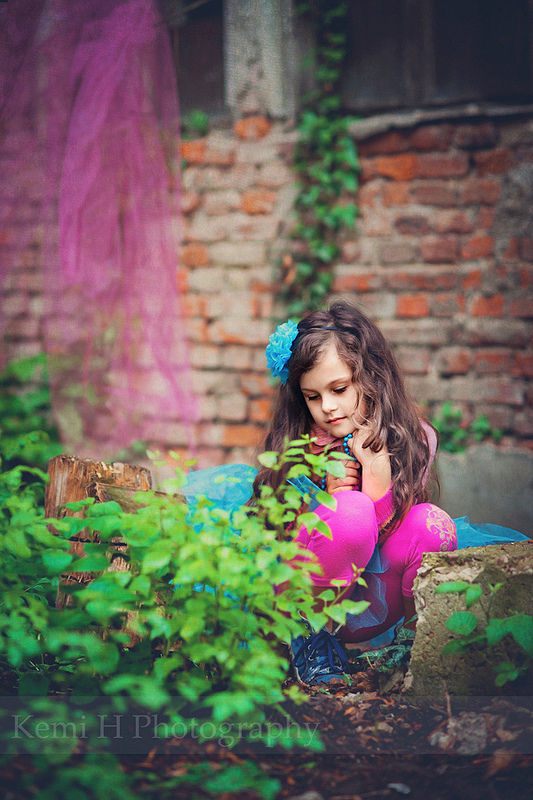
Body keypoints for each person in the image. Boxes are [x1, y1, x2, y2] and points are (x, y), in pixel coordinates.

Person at [183, 300, 529, 686]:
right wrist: (326, 501)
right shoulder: (302, 445)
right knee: (350, 512)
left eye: (339, 389)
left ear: (371, 376)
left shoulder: (414, 438)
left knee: (432, 524)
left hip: (370, 602)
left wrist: (377, 478)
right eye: (313, 396)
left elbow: (391, 533)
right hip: (297, 596)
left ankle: (411, 645)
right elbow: (282, 538)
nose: (328, 408)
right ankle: (305, 642)